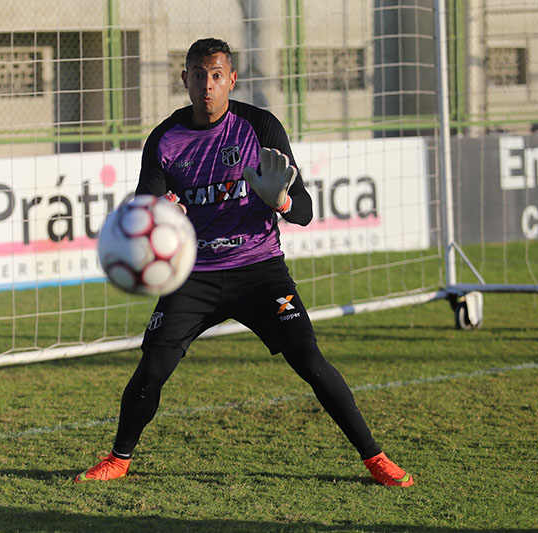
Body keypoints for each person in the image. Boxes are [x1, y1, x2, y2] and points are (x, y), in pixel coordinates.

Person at [75, 38, 413, 487]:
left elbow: (306, 211)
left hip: (259, 270)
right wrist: (162, 213)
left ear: (232, 79)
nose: (207, 85)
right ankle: (118, 459)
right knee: (152, 367)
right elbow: (145, 208)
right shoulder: (165, 139)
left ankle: (375, 459)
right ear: (186, 80)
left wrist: (281, 199)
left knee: (311, 361)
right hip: (192, 275)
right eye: (199, 74)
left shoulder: (260, 127)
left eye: (217, 75)